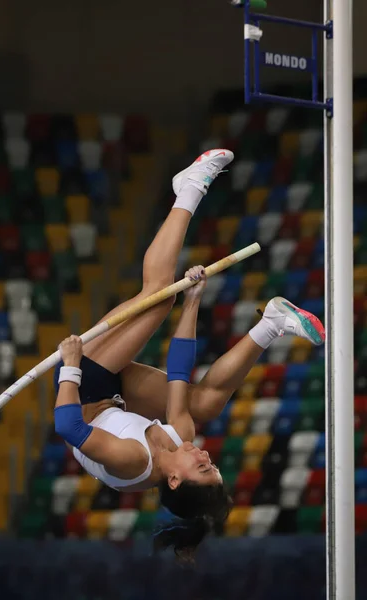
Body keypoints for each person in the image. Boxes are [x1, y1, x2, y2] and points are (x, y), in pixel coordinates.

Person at [54, 149, 326, 561]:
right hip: (114, 394)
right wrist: (193, 300)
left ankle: (190, 188)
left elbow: (68, 427)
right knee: (204, 403)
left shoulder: (132, 461)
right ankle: (272, 321)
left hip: (81, 391)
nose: (204, 454)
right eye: (212, 463)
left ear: (175, 481)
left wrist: (70, 367)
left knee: (157, 296)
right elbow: (180, 371)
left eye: (202, 466)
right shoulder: (180, 438)